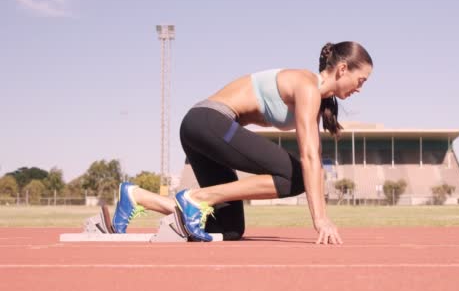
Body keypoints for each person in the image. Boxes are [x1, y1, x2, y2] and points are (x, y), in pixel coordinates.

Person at [112, 41, 373, 245]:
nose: (360, 88)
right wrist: (320, 219)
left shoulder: (315, 100)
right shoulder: (307, 86)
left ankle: (137, 197)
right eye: (361, 80)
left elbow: (314, 156)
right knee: (295, 176)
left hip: (204, 130)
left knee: (228, 228)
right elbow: (309, 158)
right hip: (207, 122)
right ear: (342, 69)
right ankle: (197, 197)